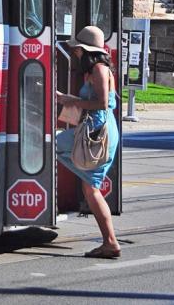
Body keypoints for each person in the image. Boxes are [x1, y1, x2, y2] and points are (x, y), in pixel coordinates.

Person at [56, 26, 121, 259]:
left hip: (97, 132)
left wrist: (71, 100)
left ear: (86, 50)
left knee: (47, 145)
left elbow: (102, 103)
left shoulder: (99, 70)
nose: (74, 52)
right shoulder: (95, 70)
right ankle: (109, 242)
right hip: (96, 130)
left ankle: (111, 242)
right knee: (90, 188)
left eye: (78, 49)